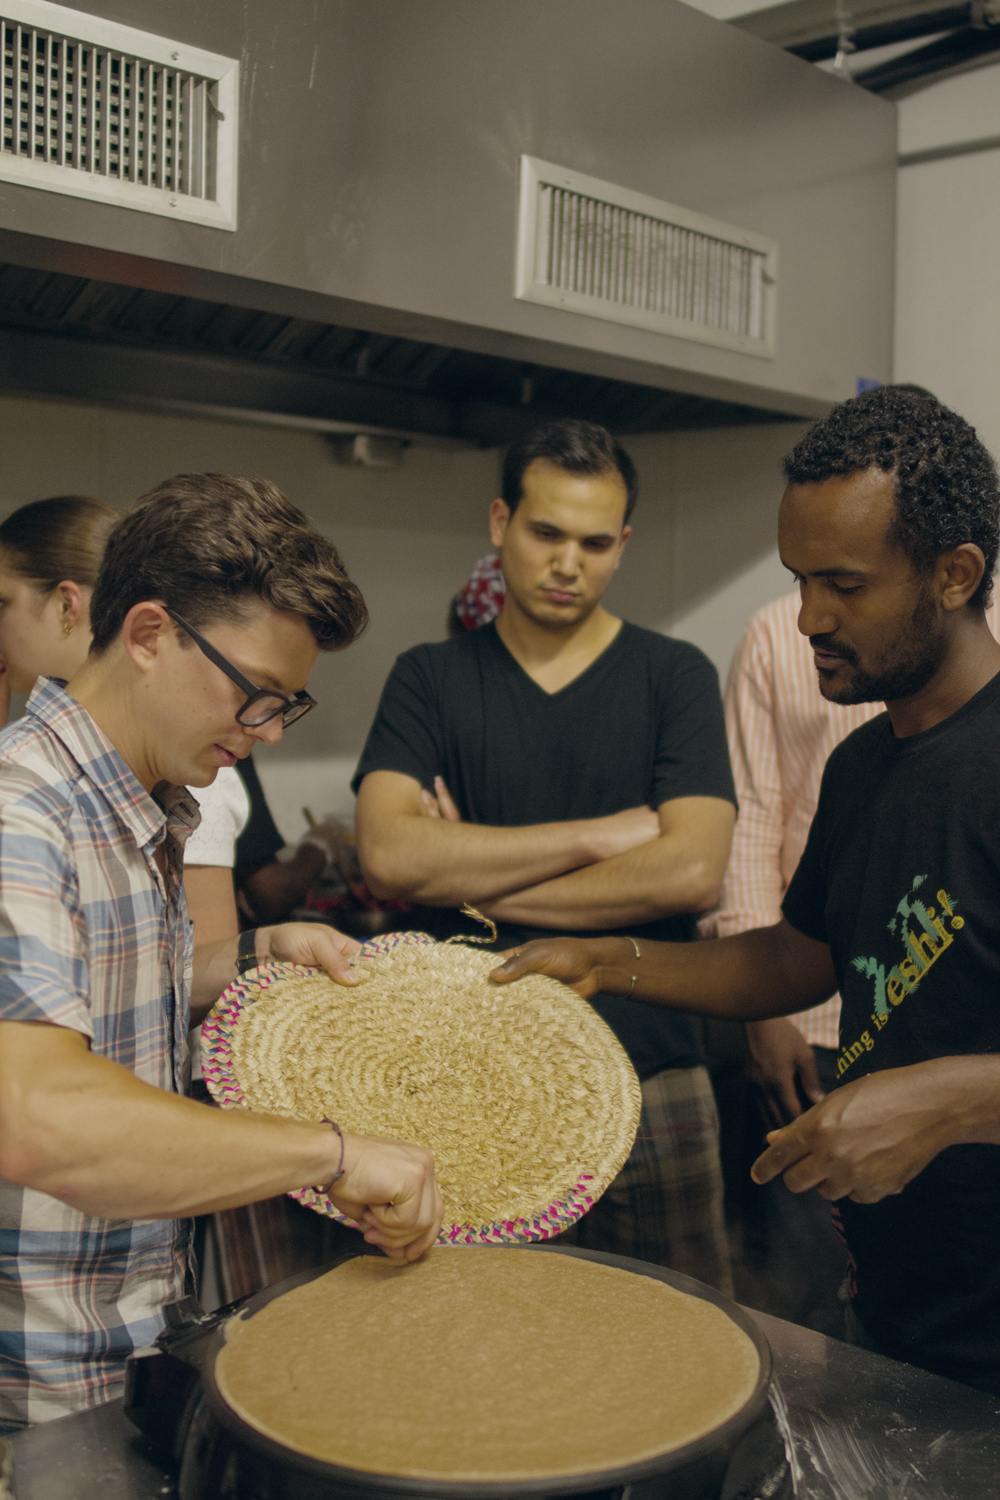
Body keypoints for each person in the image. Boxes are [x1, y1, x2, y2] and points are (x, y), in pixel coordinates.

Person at [491, 387, 1000, 1395]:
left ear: (954, 576)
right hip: (906, 1311)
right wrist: (610, 962)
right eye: (798, 580)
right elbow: (790, 958)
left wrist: (950, 1100)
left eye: (843, 585)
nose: (808, 617)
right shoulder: (866, 766)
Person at [0, 474, 443, 1432]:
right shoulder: (20, 816)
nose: (270, 731)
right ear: (150, 635)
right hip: (36, 1388)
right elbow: (40, 1116)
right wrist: (330, 1155)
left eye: (290, 704)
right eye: (255, 694)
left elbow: (99, 1003)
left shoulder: (139, 811)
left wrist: (247, 954)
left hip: (131, 1338)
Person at [353, 419, 737, 1286]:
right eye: (547, 533)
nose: (569, 562)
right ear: (500, 524)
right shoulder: (430, 677)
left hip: (652, 1064)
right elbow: (387, 856)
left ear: (624, 544)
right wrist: (600, 837)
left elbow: (691, 870)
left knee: (677, 1343)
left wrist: (466, 878)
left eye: (596, 543)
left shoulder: (674, 676)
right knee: (480, 1344)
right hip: (468, 1072)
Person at [0, 495, 251, 946]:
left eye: (1, 602)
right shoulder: (36, 766)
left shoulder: (177, 755)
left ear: (65, 606)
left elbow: (189, 969)